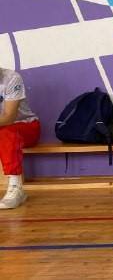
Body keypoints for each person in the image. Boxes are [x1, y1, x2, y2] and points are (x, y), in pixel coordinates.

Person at [0, 67, 41, 210]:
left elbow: (9, 118)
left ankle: (16, 187)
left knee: (5, 132)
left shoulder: (11, 78)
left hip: (26, 126)